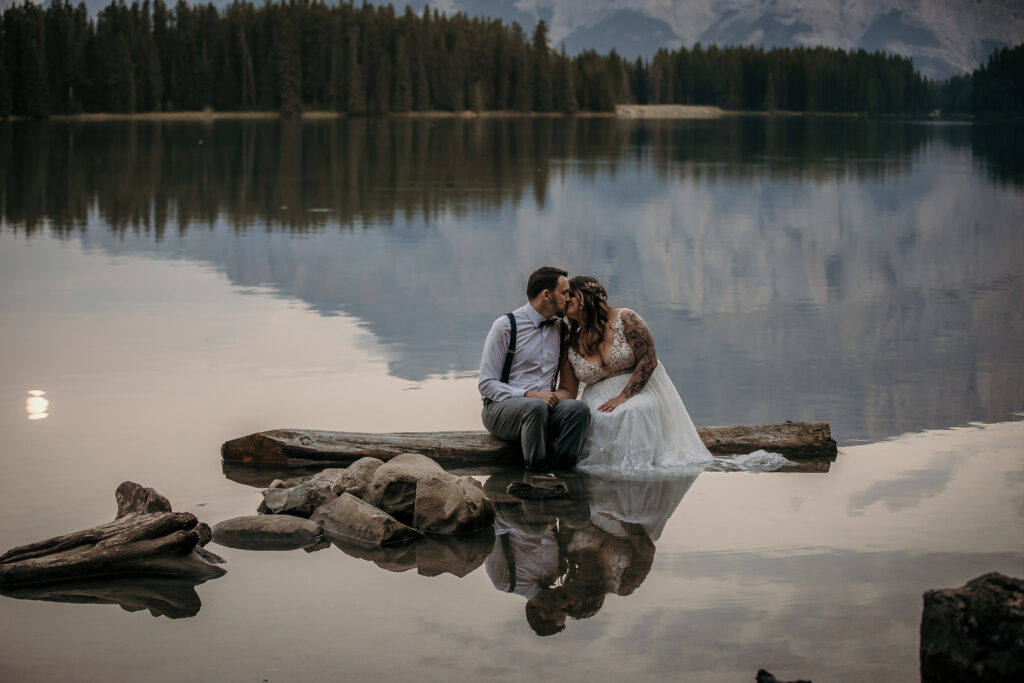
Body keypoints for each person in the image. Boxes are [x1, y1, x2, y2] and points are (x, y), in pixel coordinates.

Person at [557, 276, 713, 472]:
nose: (566, 300)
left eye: (571, 294)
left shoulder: (625, 318)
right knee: (599, 418)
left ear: (588, 296)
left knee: (634, 411)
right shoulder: (571, 342)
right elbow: (568, 389)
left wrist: (623, 397)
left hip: (639, 389)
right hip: (597, 397)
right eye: (564, 296)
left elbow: (649, 358)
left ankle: (635, 475)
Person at [479, 267, 592, 471]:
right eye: (565, 293)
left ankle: (564, 474)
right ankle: (536, 476)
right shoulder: (505, 326)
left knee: (578, 410)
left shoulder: (561, 329)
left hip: (544, 410)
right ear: (547, 295)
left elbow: (568, 390)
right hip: (499, 409)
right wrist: (529, 394)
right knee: (534, 407)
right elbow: (486, 385)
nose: (569, 298)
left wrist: (549, 398)